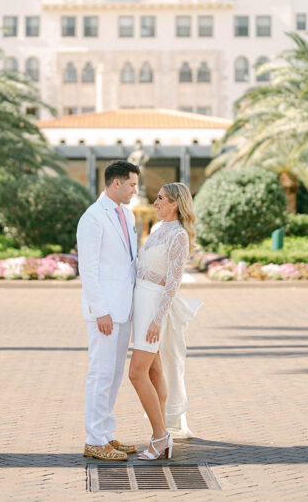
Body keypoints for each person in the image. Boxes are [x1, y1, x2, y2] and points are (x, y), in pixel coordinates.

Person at [128, 182, 201, 460]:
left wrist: (158, 319)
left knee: (136, 373)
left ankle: (161, 437)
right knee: (155, 372)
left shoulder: (179, 236)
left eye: (161, 199)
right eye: (157, 198)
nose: (156, 202)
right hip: (142, 302)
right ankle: (160, 433)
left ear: (175, 204)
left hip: (154, 309)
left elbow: (173, 282)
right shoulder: (158, 230)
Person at [77, 160, 140, 461]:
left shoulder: (127, 215)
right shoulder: (92, 217)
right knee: (100, 374)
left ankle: (106, 434)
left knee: (114, 375)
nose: (135, 191)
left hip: (124, 310)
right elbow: (87, 270)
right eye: (132, 185)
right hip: (104, 312)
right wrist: (100, 310)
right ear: (117, 183)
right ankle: (93, 439)